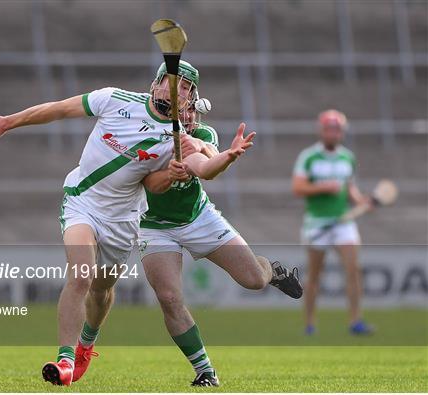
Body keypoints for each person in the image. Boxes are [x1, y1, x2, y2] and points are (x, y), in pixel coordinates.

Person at [0, 60, 255, 387]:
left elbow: (205, 167)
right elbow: (59, 109)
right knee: (81, 276)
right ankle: (66, 361)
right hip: (82, 202)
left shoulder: (179, 139)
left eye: (185, 87)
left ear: (190, 100)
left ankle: (86, 344)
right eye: (171, 80)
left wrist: (229, 155)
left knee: (101, 291)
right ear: (154, 84)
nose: (175, 88)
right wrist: (8, 123)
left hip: (123, 220)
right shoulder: (114, 99)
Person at [72, 89, 303, 387]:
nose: (190, 116)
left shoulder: (203, 133)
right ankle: (205, 370)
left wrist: (225, 157)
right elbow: (150, 184)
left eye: (193, 109)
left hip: (199, 217)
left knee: (254, 280)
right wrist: (170, 173)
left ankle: (273, 270)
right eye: (184, 110)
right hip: (152, 225)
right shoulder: (146, 136)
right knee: (169, 298)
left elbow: (209, 167)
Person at [291, 109, 374, 336]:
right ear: (322, 131)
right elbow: (297, 188)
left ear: (342, 132)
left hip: (343, 222)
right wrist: (323, 187)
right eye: (329, 129)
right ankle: (309, 324)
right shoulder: (308, 157)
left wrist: (363, 202)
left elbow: (351, 190)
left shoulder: (348, 157)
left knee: (353, 270)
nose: (333, 134)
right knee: (315, 275)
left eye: (337, 130)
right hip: (317, 223)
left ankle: (355, 321)